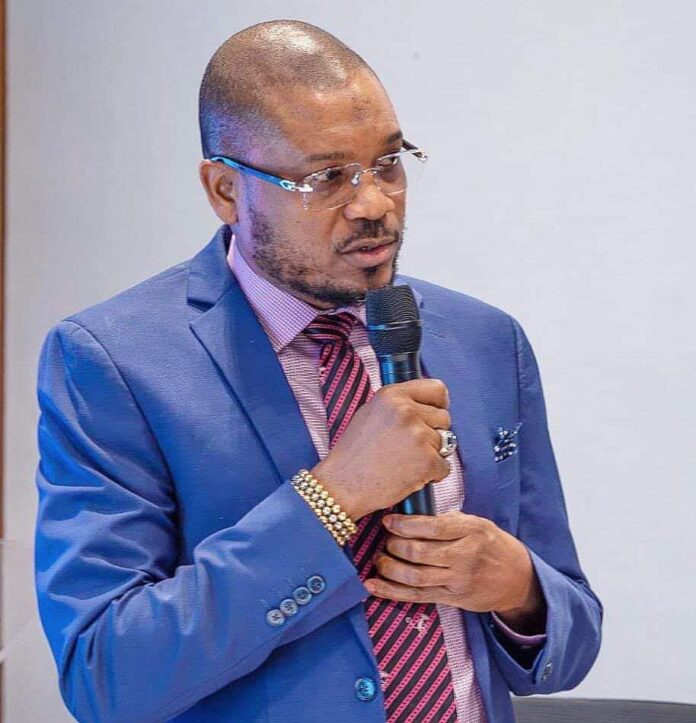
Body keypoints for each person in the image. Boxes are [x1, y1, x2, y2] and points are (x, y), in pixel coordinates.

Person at [34, 20, 602, 723]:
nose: (374, 204)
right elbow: (106, 677)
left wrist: (518, 587)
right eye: (325, 177)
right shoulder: (112, 362)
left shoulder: (486, 341)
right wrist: (332, 498)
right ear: (225, 190)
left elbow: (572, 640)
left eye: (388, 162)